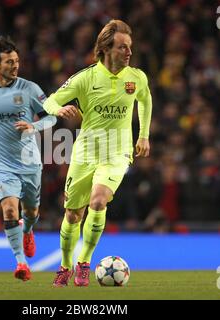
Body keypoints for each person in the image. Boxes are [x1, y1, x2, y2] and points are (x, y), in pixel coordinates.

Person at [43, 20, 153, 287]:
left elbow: (145, 100)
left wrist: (144, 135)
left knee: (99, 201)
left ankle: (84, 262)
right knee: (72, 215)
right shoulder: (85, 78)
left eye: (130, 47)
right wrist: (59, 110)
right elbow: (50, 100)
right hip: (85, 153)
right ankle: (65, 265)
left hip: (117, 152)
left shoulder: (136, 77)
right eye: (122, 47)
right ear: (106, 48)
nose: (128, 52)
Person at [0, 36, 57, 281]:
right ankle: (21, 263)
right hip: (2, 164)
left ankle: (27, 230)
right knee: (8, 210)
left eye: (16, 61)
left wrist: (33, 126)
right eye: (9, 62)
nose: (15, 65)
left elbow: (52, 117)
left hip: (29, 162)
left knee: (32, 211)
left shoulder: (30, 89)